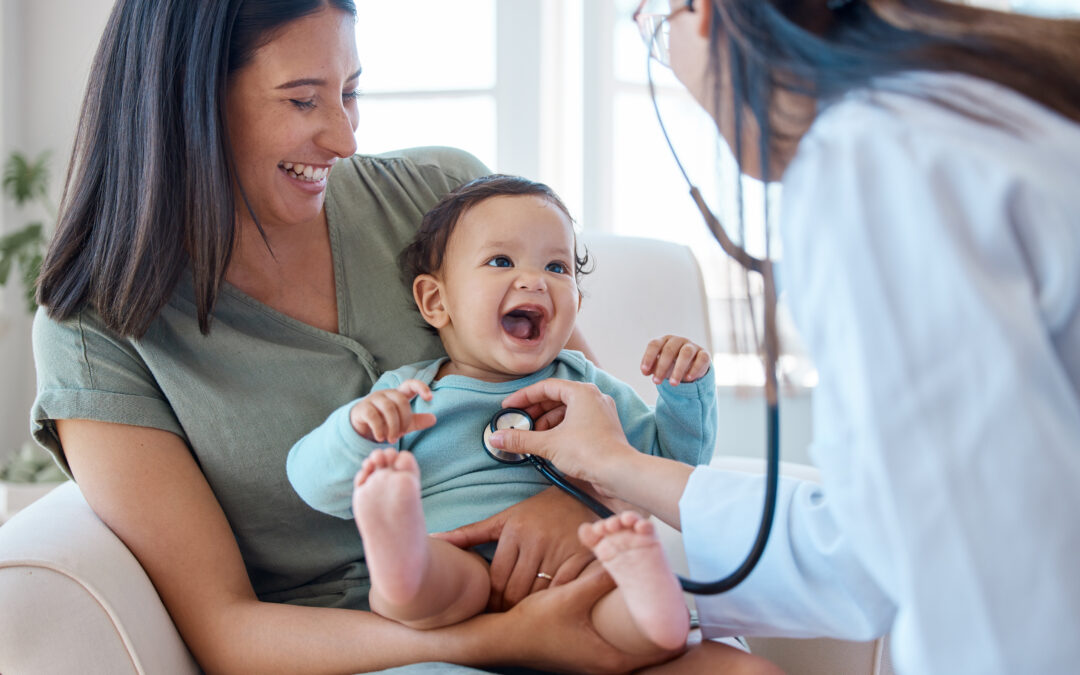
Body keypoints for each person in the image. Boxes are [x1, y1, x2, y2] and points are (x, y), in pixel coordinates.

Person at [25, 1, 785, 673]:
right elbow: (227, 630)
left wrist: (568, 506)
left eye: (351, 91)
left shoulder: (441, 196)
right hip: (373, 645)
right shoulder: (96, 329)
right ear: (187, 102)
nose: (345, 137)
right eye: (303, 100)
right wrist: (498, 639)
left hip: (568, 586)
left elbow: (586, 413)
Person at [481, 1, 1080, 674]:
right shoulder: (983, 107)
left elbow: (978, 580)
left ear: (702, 13)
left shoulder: (875, 162)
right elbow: (886, 539)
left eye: (655, 30)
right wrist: (619, 467)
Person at [287, 174, 716, 656]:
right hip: (457, 561)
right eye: (500, 261)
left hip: (577, 572)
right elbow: (313, 484)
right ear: (436, 301)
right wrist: (357, 431)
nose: (535, 279)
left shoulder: (587, 387)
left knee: (626, 617)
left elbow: (668, 467)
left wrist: (683, 392)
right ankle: (400, 549)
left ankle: (652, 600)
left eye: (557, 266)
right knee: (423, 589)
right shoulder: (411, 394)